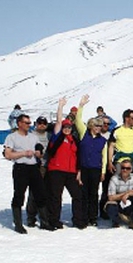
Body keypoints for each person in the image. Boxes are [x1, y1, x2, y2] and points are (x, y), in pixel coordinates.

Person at [4, 113, 54, 233]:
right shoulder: (12, 137)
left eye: (29, 123)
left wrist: (38, 152)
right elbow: (8, 154)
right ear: (19, 124)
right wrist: (23, 153)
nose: (28, 125)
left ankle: (44, 222)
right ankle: (18, 224)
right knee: (19, 195)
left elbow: (39, 148)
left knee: (40, 194)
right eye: (26, 123)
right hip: (20, 168)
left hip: (33, 167)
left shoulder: (33, 137)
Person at [47, 97, 84, 229]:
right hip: (57, 170)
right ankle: (53, 220)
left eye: (69, 127)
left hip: (71, 171)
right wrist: (60, 107)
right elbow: (58, 121)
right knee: (56, 197)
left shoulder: (73, 140)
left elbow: (77, 156)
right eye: (65, 127)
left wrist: (78, 171)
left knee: (77, 195)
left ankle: (78, 220)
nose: (67, 129)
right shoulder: (57, 136)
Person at [75, 95, 108, 227]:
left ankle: (93, 217)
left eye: (100, 126)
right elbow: (78, 120)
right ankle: (83, 216)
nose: (98, 128)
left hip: (95, 168)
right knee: (83, 193)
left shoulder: (103, 140)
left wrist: (103, 171)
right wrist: (81, 106)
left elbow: (104, 157)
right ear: (91, 126)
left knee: (93, 193)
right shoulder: (84, 134)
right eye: (96, 125)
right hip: (84, 167)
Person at [106, 159, 133, 230]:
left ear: (131, 169)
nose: (125, 170)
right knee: (110, 207)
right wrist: (124, 194)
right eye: (123, 168)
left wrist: (128, 194)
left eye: (128, 168)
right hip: (118, 201)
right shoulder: (114, 179)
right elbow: (111, 197)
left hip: (129, 200)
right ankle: (117, 220)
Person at [107, 109, 133, 175]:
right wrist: (110, 162)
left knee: (132, 180)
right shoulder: (116, 130)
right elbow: (111, 147)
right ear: (126, 118)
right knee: (118, 179)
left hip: (132, 160)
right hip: (119, 160)